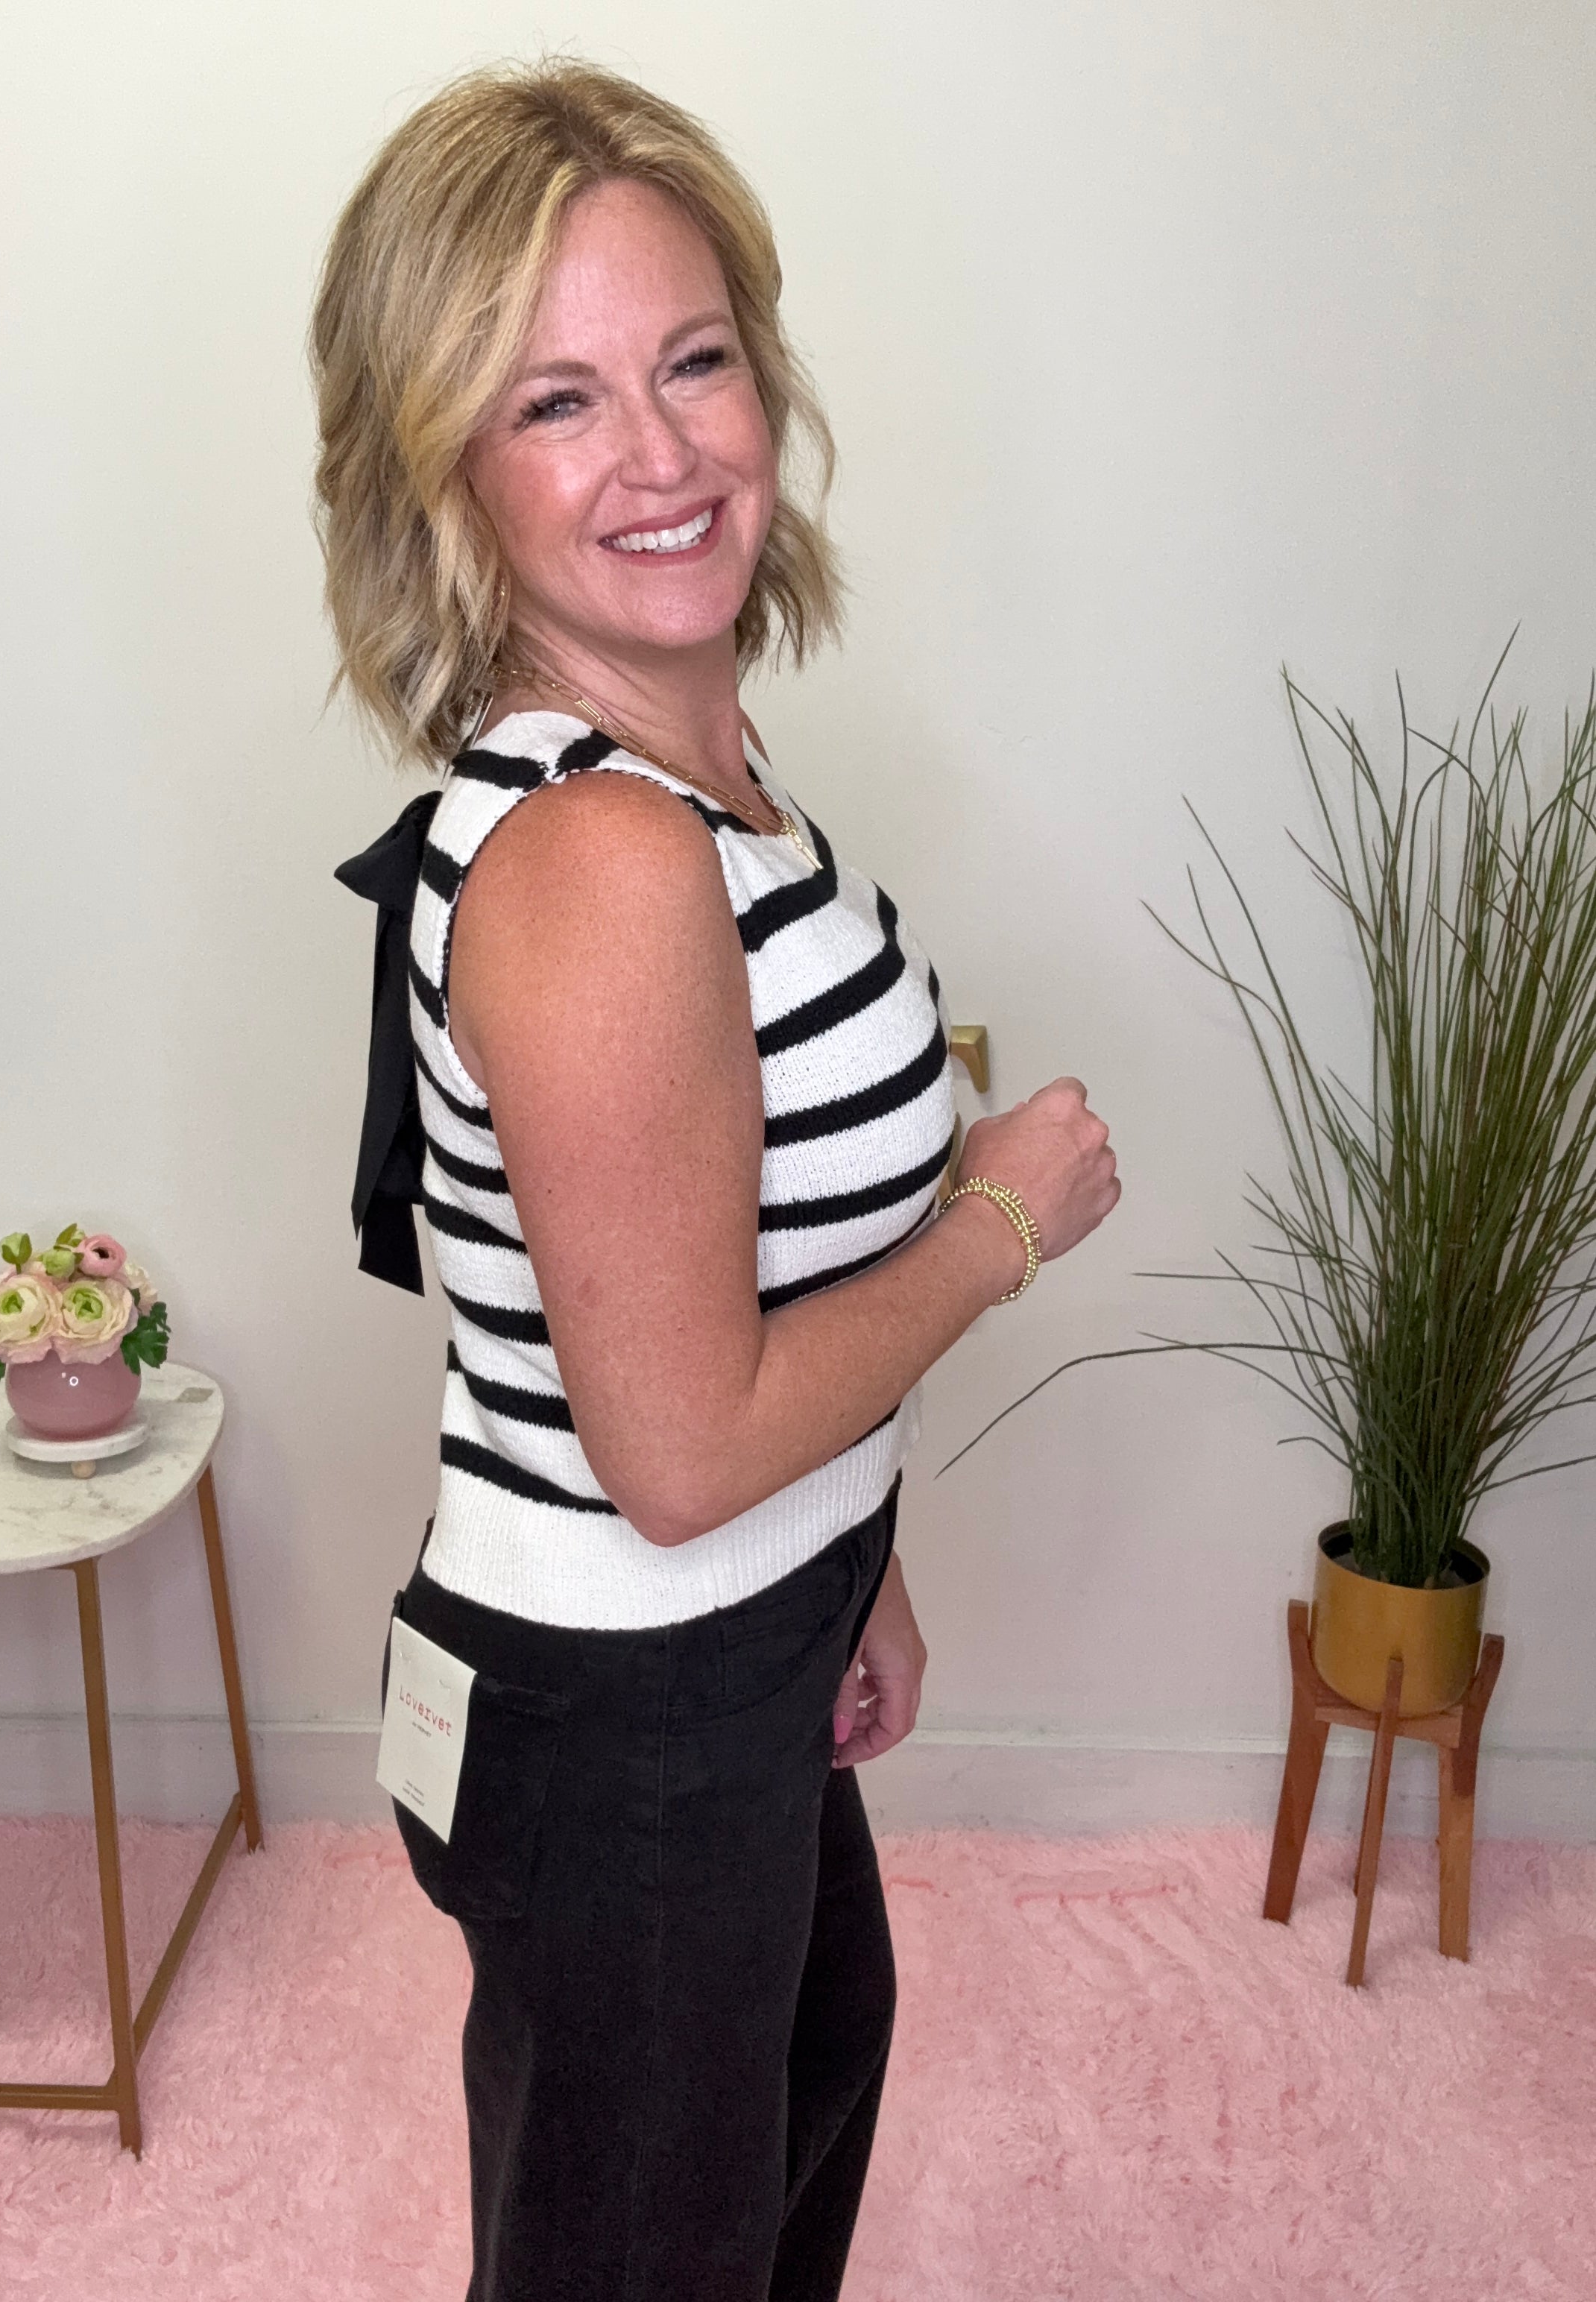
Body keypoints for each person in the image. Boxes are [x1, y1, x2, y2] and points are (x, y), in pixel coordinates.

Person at [316, 58, 1119, 2302]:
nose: (662, 456)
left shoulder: (706, 777)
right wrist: (1000, 1223)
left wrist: (857, 1569)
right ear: (445, 470)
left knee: (797, 2118)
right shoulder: (600, 858)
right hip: (628, 1713)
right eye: (555, 401)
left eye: (692, 362)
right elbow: (672, 1452)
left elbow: (731, 1278)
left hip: (735, 1651)